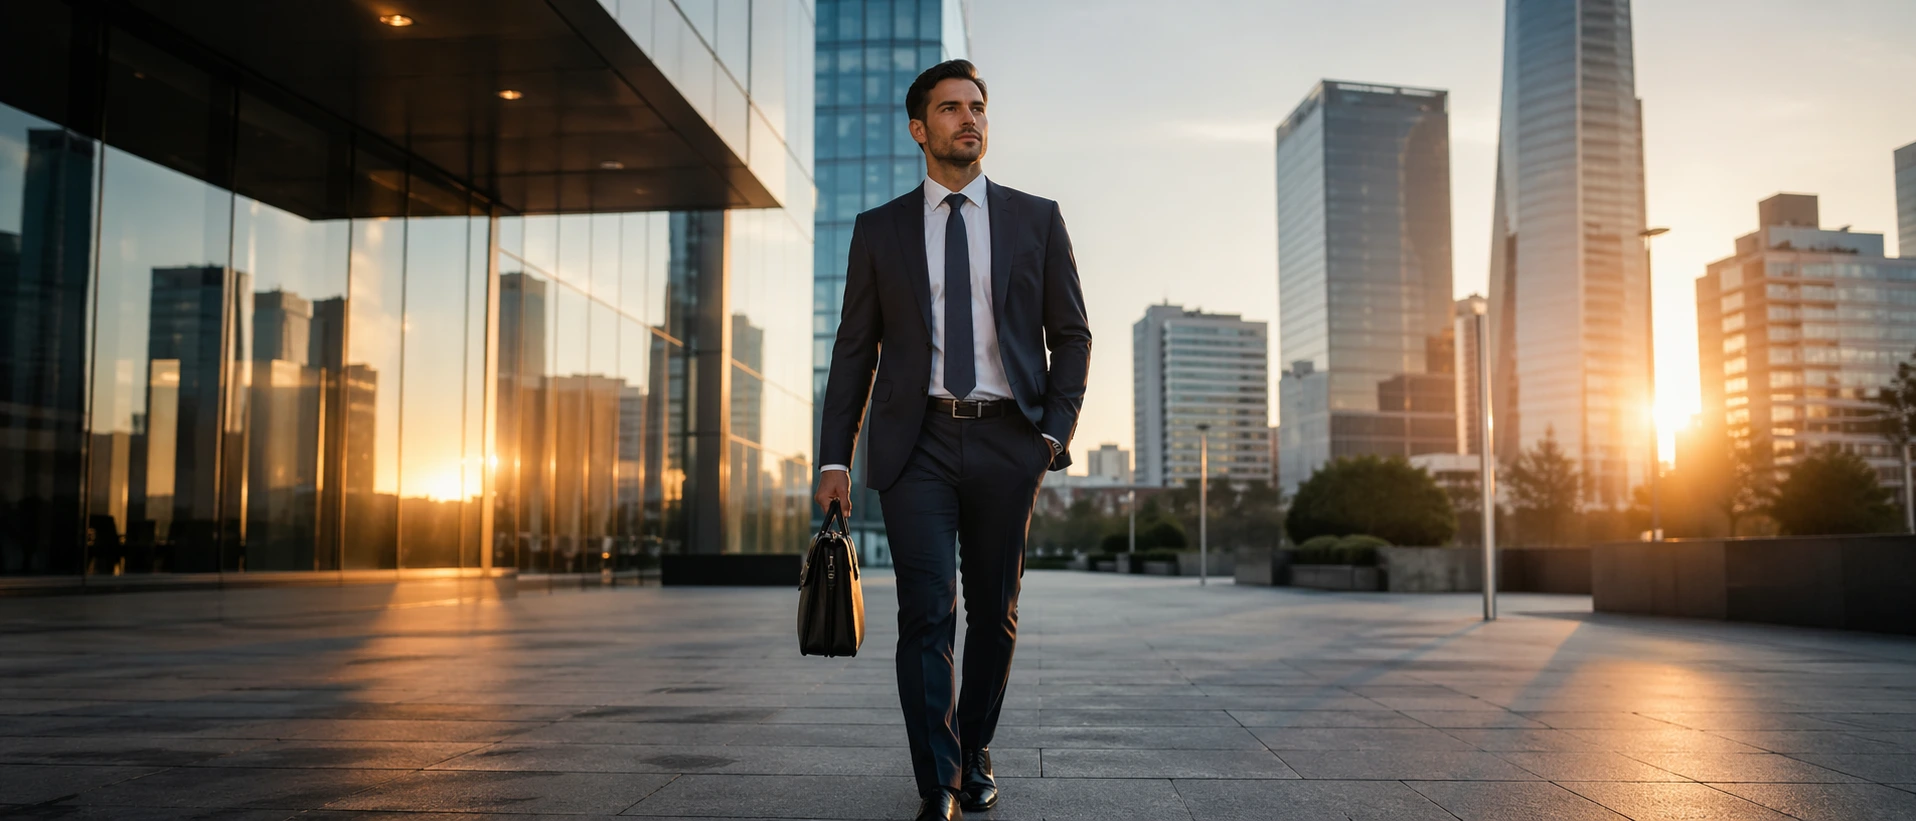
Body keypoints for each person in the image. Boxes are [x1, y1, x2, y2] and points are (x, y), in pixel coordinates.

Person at [813, 59, 1090, 821]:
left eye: (977, 107)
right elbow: (854, 349)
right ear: (919, 128)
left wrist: (1050, 434)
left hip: (1010, 441)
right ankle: (938, 780)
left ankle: (973, 748)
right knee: (927, 612)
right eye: (950, 109)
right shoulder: (879, 230)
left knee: (993, 616)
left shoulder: (1037, 218)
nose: (969, 119)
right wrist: (835, 456)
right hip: (917, 444)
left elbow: (1071, 334)